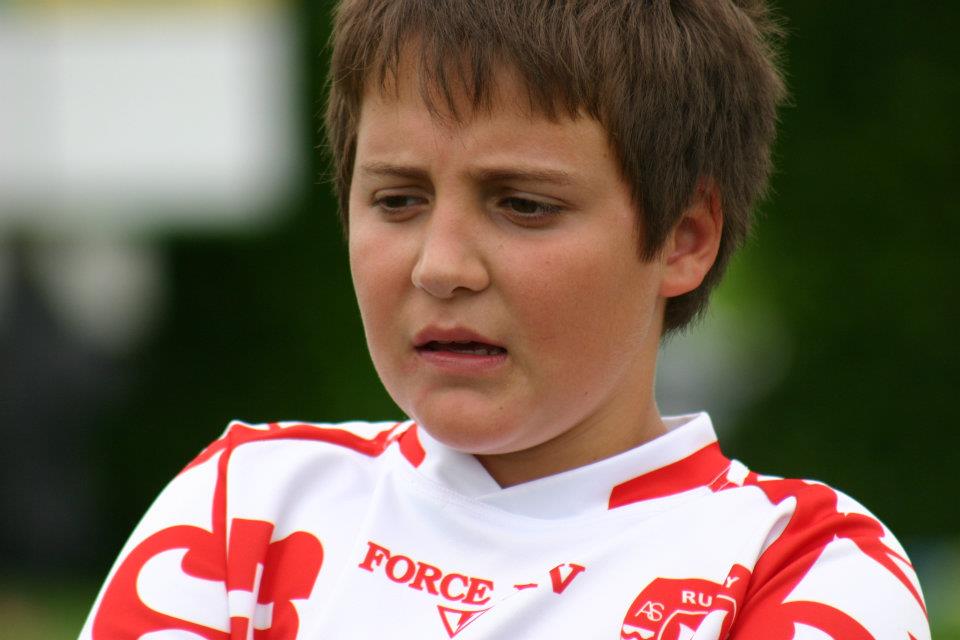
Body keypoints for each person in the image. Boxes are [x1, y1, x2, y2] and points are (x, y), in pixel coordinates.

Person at [79, 1, 931, 638]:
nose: (440, 265)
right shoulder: (246, 508)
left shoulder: (800, 565)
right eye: (398, 199)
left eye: (523, 204)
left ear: (685, 238)